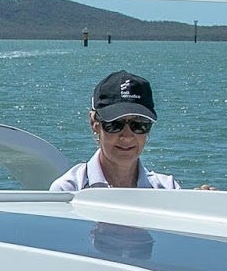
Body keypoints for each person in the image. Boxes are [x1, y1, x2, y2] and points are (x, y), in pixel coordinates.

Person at [50, 70, 195, 191]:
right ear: (94, 122)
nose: (127, 136)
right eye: (115, 124)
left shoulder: (169, 190)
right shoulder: (67, 191)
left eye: (139, 125)